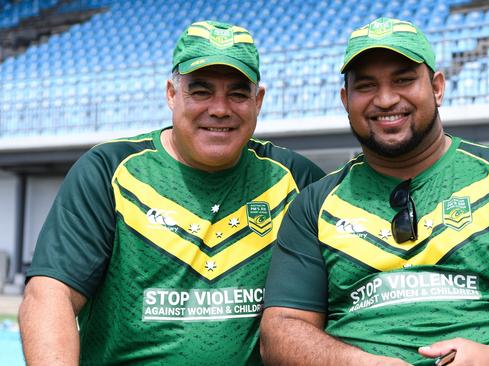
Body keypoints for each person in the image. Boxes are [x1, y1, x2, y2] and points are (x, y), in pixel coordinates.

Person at [260, 17, 489, 366]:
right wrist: (360, 363)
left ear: (437, 87)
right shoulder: (314, 205)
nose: (385, 98)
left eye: (404, 80)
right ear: (346, 99)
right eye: (366, 86)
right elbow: (282, 331)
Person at [19, 20, 324, 365]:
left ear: (259, 101)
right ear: (171, 94)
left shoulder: (295, 178)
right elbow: (49, 294)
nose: (220, 108)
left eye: (238, 93)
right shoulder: (110, 170)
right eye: (201, 91)